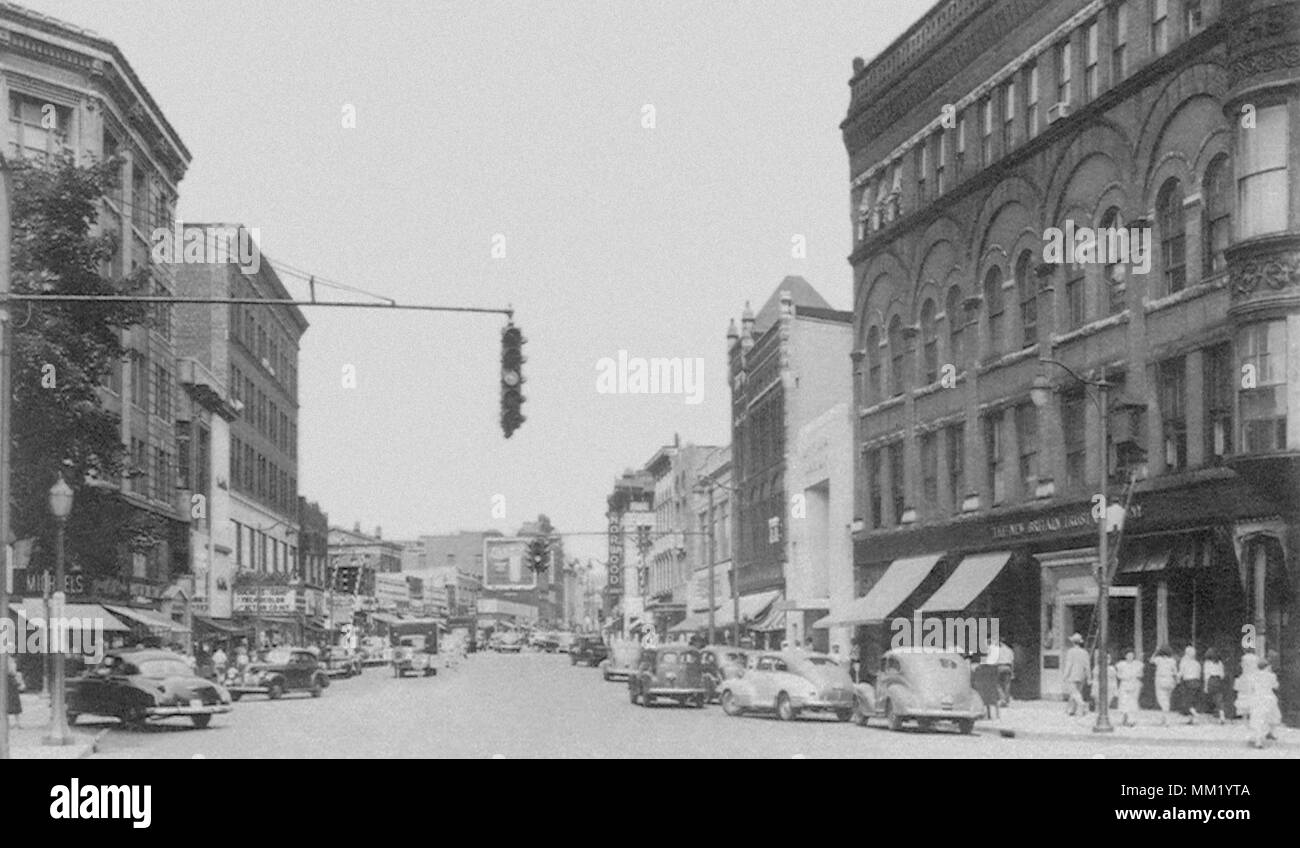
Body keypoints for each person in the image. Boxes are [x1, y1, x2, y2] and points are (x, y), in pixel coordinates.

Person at [1248, 657, 1281, 749]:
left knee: (1259, 719)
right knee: (1274, 716)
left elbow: (1251, 688)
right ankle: (1270, 732)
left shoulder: (1253, 675)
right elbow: (1276, 686)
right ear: (1267, 667)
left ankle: (1258, 741)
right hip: (1268, 697)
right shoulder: (1271, 676)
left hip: (1257, 698)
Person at [1062, 633, 1090, 716]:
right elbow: (1087, 666)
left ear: (1073, 642)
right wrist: (1089, 677)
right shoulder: (1084, 652)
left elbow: (1069, 665)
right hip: (1081, 675)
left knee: (1074, 693)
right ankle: (1071, 710)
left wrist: (1065, 675)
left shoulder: (1070, 652)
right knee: (1076, 692)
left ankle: (1082, 704)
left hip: (1072, 675)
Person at [1150, 645, 1177, 726]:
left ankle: (1166, 719)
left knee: (1162, 700)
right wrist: (1175, 681)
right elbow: (1175, 672)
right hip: (1170, 679)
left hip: (1160, 680)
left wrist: (1156, 651)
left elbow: (1151, 660)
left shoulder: (1159, 659)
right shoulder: (1172, 660)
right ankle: (1164, 719)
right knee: (1167, 699)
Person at [1116, 648, 1143, 727]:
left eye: (1131, 655)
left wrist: (1134, 676)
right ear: (1125, 656)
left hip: (1134, 684)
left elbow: (1140, 674)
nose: (1130, 657)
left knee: (1132, 702)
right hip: (1124, 684)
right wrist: (1125, 677)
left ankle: (1131, 720)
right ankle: (1124, 718)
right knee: (1123, 702)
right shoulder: (1121, 664)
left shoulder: (1137, 664)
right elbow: (1118, 675)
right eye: (1128, 655)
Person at [1175, 645, 1202, 724]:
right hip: (1196, 682)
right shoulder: (1197, 663)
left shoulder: (1184, 662)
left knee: (1187, 701)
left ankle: (1194, 714)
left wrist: (1177, 679)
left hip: (1188, 682)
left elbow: (1181, 673)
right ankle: (1191, 719)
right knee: (1193, 700)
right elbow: (1199, 673)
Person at [1202, 647, 1226, 725]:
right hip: (1218, 680)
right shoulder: (1219, 663)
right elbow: (1222, 675)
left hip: (1211, 681)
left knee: (1211, 698)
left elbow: (1206, 675)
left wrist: (1205, 686)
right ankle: (1222, 716)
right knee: (1219, 698)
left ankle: (1211, 713)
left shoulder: (1207, 663)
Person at [1233, 651, 1258, 722]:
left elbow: (1242, 667)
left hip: (1245, 678)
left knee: (1243, 696)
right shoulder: (1256, 658)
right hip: (1253, 678)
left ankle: (1245, 717)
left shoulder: (1244, 658)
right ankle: (1252, 717)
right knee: (1252, 697)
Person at [995, 639, 1015, 708]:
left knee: (998, 684)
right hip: (1008, 667)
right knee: (1007, 684)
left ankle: (1002, 699)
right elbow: (1012, 662)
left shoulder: (998, 650)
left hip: (999, 667)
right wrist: (1012, 672)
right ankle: (1006, 700)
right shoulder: (1010, 650)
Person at [4, 653, 22, 728]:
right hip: (9, 681)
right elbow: (12, 671)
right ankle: (13, 722)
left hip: (10, 681)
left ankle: (15, 722)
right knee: (10, 702)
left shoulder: (11, 659)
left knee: (12, 702)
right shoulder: (8, 660)